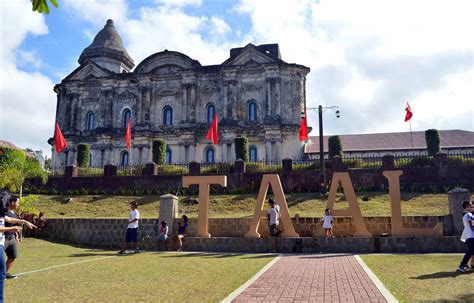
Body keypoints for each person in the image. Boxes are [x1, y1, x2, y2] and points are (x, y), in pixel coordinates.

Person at [457, 200, 474, 273]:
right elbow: (472, 227)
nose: (472, 207)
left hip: (471, 236)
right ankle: (462, 265)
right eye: (470, 205)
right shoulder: (468, 215)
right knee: (470, 251)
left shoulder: (470, 214)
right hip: (470, 236)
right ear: (467, 207)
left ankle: (465, 264)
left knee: (471, 251)